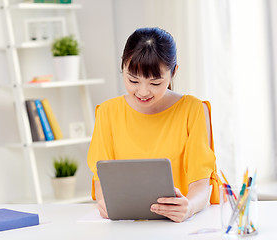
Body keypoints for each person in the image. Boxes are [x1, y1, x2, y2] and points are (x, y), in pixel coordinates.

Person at [87, 27, 220, 223]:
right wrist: (106, 204)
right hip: (126, 226)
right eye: (133, 80)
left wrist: (189, 207)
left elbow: (201, 185)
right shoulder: (107, 113)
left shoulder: (193, 110)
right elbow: (102, 183)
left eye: (155, 83)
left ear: (173, 72)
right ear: (122, 67)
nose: (143, 91)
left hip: (179, 227)